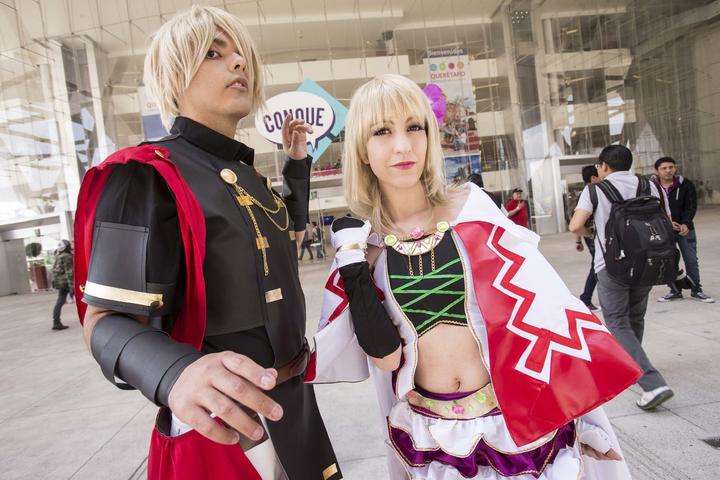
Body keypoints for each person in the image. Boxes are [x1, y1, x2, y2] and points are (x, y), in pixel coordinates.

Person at [306, 74, 639, 479]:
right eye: (382, 131)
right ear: (361, 149)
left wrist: (581, 411)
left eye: (414, 127)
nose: (403, 145)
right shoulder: (366, 248)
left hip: (516, 424)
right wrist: (352, 264)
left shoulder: (472, 208)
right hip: (434, 436)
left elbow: (546, 312)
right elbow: (386, 359)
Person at [73, 6, 340, 479]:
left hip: (294, 406)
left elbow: (289, 232)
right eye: (214, 54)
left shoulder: (248, 177)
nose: (238, 62)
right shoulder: (146, 175)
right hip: (222, 425)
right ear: (171, 77)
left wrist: (297, 162)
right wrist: (176, 373)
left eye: (241, 54)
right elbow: (105, 321)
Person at [570, 145, 674, 412]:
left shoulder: (595, 190)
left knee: (617, 322)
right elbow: (666, 220)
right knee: (635, 317)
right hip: (648, 262)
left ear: (604, 166)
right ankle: (632, 369)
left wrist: (592, 233)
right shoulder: (651, 186)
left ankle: (652, 383)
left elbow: (575, 225)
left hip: (611, 266)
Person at [652, 157, 714, 303]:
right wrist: (666, 222)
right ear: (657, 170)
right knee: (668, 261)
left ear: (675, 168)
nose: (668, 170)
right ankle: (675, 290)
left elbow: (691, 205)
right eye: (664, 168)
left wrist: (685, 223)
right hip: (664, 230)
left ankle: (696, 290)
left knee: (691, 260)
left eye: (671, 167)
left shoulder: (685, 184)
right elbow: (651, 208)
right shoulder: (651, 187)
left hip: (685, 229)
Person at [576, 165, 601, 311]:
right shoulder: (589, 193)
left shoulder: (586, 193)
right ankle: (586, 298)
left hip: (589, 235)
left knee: (597, 265)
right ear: (593, 178)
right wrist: (579, 239)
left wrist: (578, 240)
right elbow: (576, 221)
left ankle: (586, 298)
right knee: (597, 265)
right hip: (592, 235)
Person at [51, 240, 72, 331]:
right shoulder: (67, 256)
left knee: (60, 301)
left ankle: (56, 322)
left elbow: (54, 270)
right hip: (66, 282)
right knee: (84, 299)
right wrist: (72, 286)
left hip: (60, 282)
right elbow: (69, 272)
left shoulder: (58, 255)